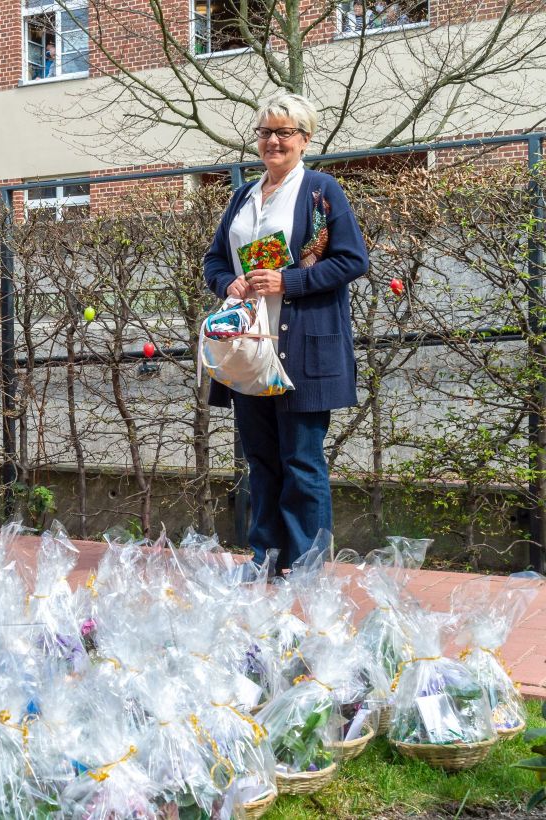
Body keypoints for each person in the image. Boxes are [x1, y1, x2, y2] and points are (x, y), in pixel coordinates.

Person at [202, 93, 369, 573]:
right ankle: (265, 559)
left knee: (301, 461)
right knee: (261, 460)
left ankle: (308, 568)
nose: (274, 141)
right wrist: (226, 281)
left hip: (300, 349)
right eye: (266, 132)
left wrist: (288, 280)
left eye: (285, 132)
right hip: (248, 349)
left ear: (305, 139)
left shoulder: (320, 191)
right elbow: (215, 260)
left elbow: (352, 260)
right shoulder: (244, 194)